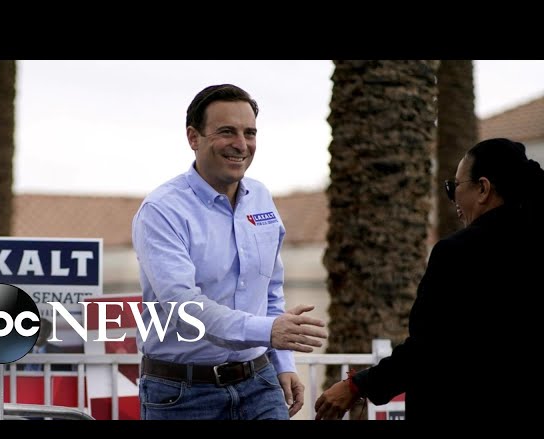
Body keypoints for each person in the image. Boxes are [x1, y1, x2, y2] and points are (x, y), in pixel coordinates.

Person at [131, 84, 328, 420]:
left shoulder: (261, 198)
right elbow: (184, 307)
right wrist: (268, 332)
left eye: (250, 133)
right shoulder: (162, 210)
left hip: (260, 383)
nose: (241, 144)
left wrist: (283, 362)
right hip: (182, 395)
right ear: (193, 137)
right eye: (227, 132)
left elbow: (269, 289)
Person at [315, 138, 544, 421]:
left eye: (454, 187)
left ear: (483, 189)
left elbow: (428, 347)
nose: (453, 199)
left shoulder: (458, 252)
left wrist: (356, 385)